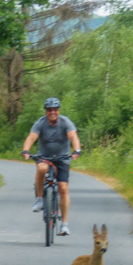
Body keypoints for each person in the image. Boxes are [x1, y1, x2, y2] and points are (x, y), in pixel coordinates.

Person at [22, 97, 81, 236]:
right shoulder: (40, 123)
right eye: (49, 110)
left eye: (55, 109)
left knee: (63, 188)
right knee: (41, 168)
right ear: (46, 111)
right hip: (45, 157)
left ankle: (64, 225)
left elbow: (73, 137)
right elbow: (31, 138)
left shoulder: (65, 122)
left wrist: (76, 149)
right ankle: (40, 199)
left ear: (58, 110)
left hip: (62, 159)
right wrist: (26, 150)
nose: (52, 112)